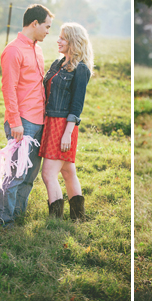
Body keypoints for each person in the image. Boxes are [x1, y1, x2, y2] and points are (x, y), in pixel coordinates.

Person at [0, 4, 54, 228]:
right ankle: (4, 218)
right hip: (22, 122)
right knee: (16, 174)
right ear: (34, 24)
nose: (49, 31)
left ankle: (19, 214)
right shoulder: (13, 50)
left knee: (30, 175)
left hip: (40, 120)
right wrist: (15, 122)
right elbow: (8, 89)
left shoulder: (37, 49)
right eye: (47, 26)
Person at [39, 22, 93, 221]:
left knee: (48, 173)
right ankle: (78, 218)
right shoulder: (57, 63)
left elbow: (77, 105)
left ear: (73, 41)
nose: (58, 40)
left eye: (63, 38)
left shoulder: (81, 70)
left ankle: (55, 220)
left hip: (63, 126)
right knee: (68, 171)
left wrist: (67, 133)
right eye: (59, 37)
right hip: (49, 122)